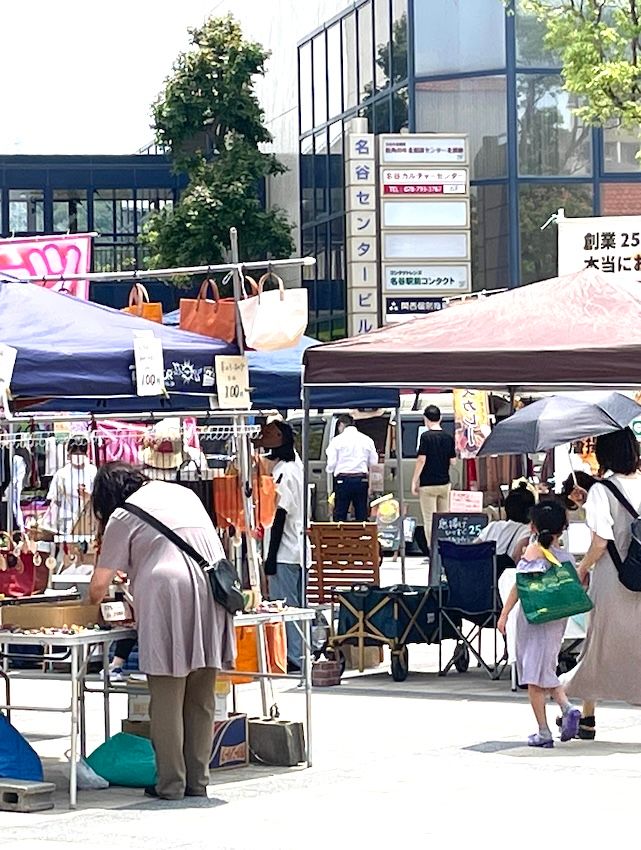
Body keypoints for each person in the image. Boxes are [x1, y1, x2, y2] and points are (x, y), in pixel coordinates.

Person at [88, 463, 235, 801]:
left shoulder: (123, 516)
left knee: (167, 694)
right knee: (201, 695)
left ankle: (171, 783)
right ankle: (198, 781)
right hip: (212, 592)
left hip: (167, 593)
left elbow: (99, 585)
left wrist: (91, 608)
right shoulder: (181, 493)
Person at [561, 427, 641, 740]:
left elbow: (600, 542)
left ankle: (586, 713)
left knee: (599, 644)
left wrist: (581, 568)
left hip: (613, 579)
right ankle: (587, 716)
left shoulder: (600, 490)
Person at [498, 500, 581, 748]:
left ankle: (545, 730)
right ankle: (566, 709)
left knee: (533, 678)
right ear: (563, 528)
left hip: (534, 617)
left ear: (532, 527)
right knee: (544, 668)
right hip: (557, 620)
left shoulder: (532, 553)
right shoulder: (565, 557)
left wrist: (504, 614)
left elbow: (519, 586)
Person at [257, 420, 308, 671]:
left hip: (285, 550)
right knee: (298, 606)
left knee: (285, 608)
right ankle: (300, 654)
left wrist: (270, 558)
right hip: (299, 549)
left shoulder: (284, 473)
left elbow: (279, 517)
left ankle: (294, 657)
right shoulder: (297, 467)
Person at [411, 405, 456, 548]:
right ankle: (445, 549)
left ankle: (434, 551)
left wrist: (414, 481)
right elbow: (453, 462)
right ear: (440, 418)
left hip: (428, 484)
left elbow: (421, 460)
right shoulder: (448, 437)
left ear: (425, 419)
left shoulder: (425, 437)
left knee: (430, 520)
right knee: (443, 519)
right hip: (444, 484)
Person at [326, 414, 378, 522]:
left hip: (343, 480)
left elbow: (331, 464)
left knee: (340, 514)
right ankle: (361, 537)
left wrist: (330, 470)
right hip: (361, 480)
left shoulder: (336, 441)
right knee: (361, 514)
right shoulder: (367, 440)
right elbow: (374, 462)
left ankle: (340, 538)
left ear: (341, 425)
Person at [42, 436, 97, 537]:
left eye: (81, 453)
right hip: (65, 523)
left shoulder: (93, 472)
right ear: (69, 454)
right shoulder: (61, 474)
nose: (78, 456)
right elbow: (53, 499)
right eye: (75, 453)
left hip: (88, 522)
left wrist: (87, 495)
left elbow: (99, 496)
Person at [476, 483, 535, 567]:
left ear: (507, 508)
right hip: (506, 577)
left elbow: (473, 549)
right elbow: (517, 556)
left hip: (484, 575)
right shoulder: (526, 531)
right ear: (530, 511)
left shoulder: (493, 526)